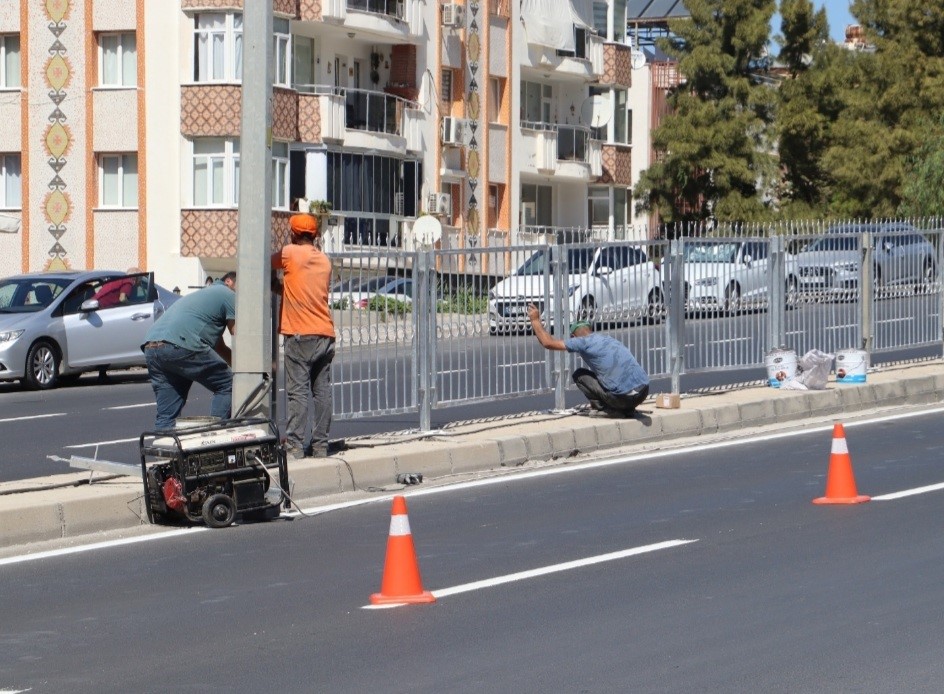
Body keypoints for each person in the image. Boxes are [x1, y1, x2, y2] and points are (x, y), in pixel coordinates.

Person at [271, 213, 336, 459]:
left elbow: (267, 263)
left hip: (300, 335)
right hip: (325, 334)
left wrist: (273, 283)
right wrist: (281, 287)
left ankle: (295, 448)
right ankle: (320, 446)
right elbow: (304, 291)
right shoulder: (324, 261)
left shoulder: (290, 253)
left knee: (297, 393)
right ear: (315, 235)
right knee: (322, 392)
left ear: (294, 234)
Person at [141, 272, 237, 430]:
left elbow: (220, 348)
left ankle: (164, 452)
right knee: (227, 384)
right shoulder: (227, 293)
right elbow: (239, 333)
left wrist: (239, 366)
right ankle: (216, 438)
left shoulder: (205, 296)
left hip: (152, 345)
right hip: (180, 343)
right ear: (228, 281)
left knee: (167, 415)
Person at [526, 304, 649, 417]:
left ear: (573, 337)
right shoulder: (607, 339)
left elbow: (548, 343)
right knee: (605, 375)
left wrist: (535, 320)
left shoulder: (582, 342)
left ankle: (606, 409)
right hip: (643, 391)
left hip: (622, 399)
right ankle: (627, 408)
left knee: (579, 375)